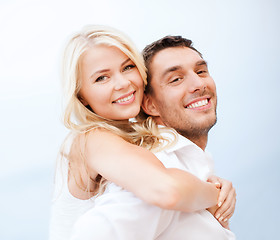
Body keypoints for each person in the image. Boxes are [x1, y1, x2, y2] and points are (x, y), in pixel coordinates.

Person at [49, 25, 235, 240]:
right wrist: (216, 194)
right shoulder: (91, 139)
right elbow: (167, 190)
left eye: (127, 67)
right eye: (102, 78)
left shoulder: (137, 142)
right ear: (81, 96)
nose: (123, 83)